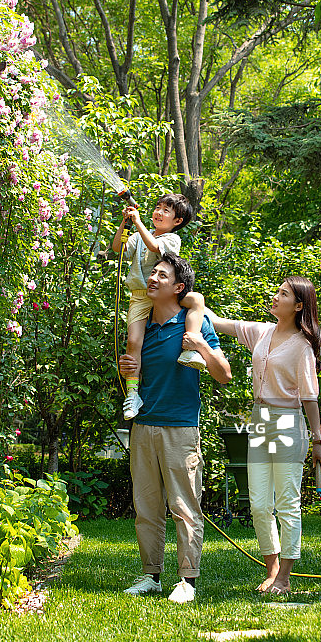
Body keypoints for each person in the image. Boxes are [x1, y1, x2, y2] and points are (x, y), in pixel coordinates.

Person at [119, 252, 231, 603]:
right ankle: (150, 576)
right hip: (144, 426)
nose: (152, 278)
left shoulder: (193, 323)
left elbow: (224, 375)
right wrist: (126, 368)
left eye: (162, 275)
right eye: (152, 273)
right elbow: (135, 371)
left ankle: (187, 581)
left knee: (184, 507)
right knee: (146, 507)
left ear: (178, 287)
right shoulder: (141, 325)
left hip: (180, 428)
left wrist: (200, 346)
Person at [206, 276, 321, 595]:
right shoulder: (262, 332)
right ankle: (272, 569)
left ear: (298, 306)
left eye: (283, 294)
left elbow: (310, 397)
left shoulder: (302, 346)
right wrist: (194, 304)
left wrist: (318, 441)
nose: (275, 297)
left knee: (286, 501)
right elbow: (220, 323)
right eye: (277, 291)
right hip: (260, 419)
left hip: (288, 422)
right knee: (259, 503)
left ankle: (285, 578)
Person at [112, 193, 207, 421]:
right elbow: (118, 248)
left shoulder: (173, 240)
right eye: (158, 207)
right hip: (141, 296)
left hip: (165, 295)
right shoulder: (137, 234)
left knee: (195, 300)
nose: (159, 212)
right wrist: (125, 222)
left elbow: (155, 247)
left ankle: (190, 348)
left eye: (166, 210)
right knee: (133, 342)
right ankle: (133, 394)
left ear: (177, 221)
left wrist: (137, 221)